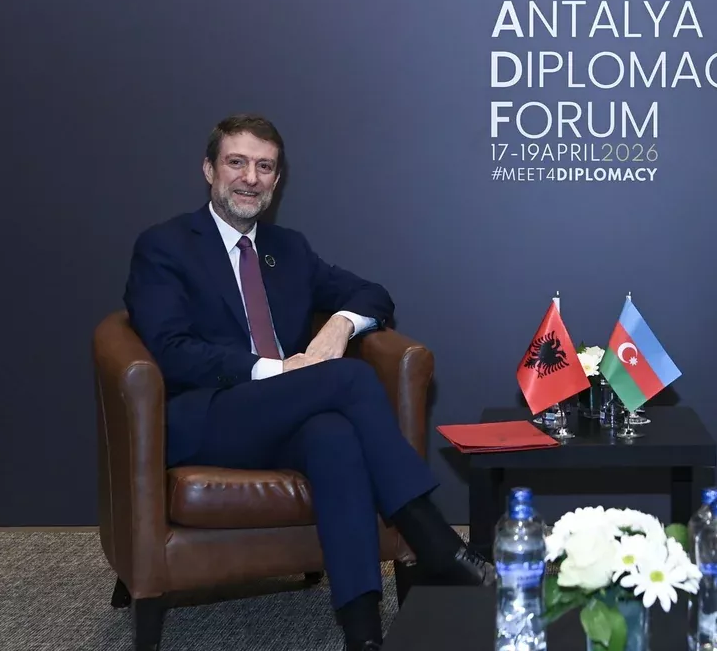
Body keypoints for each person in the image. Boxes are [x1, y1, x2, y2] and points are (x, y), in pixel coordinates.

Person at [123, 114, 493, 651]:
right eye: (236, 162)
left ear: (277, 180)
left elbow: (373, 294)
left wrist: (340, 325)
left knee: (333, 437)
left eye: (264, 167)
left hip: (287, 418)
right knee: (348, 380)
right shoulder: (166, 245)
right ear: (209, 170)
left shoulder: (288, 249)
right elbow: (170, 350)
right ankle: (432, 539)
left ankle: (363, 636)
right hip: (208, 416)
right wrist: (276, 370)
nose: (250, 177)